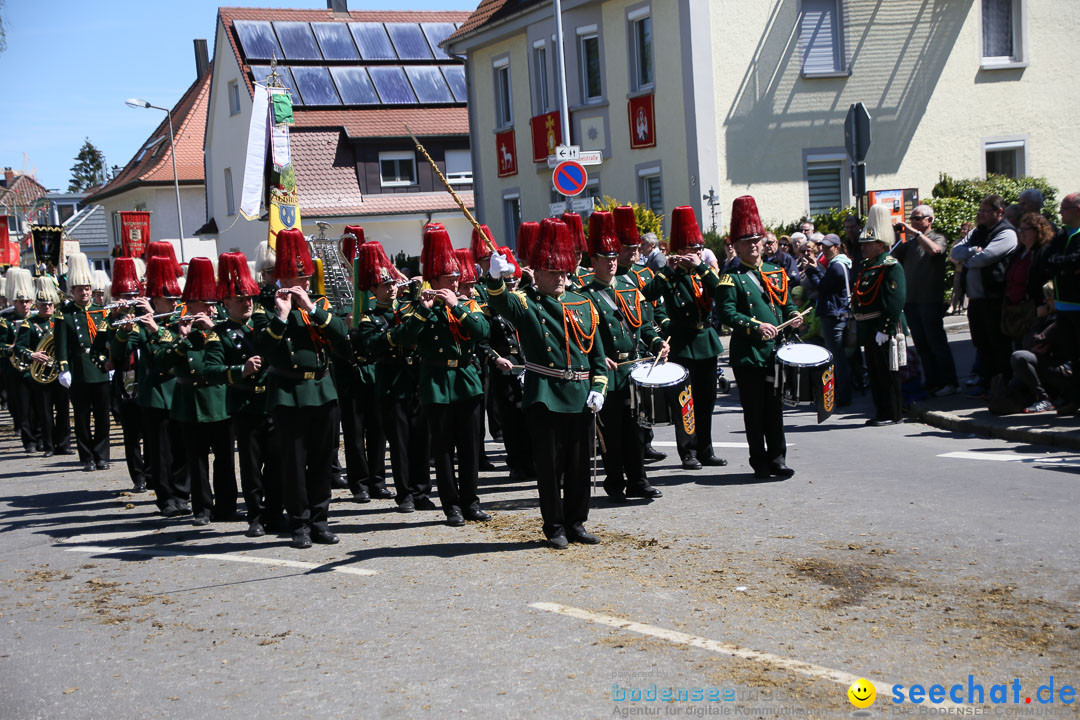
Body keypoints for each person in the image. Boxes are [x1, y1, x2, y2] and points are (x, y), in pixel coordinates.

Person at [486, 217, 609, 549]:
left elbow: (597, 357)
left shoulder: (584, 304)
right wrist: (496, 277)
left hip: (581, 395)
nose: (560, 278)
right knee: (550, 467)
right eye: (553, 272)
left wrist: (598, 388)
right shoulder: (527, 304)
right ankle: (554, 525)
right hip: (546, 395)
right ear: (536, 272)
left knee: (580, 465)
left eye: (564, 272)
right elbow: (500, 301)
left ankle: (576, 522)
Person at [255, 228, 349, 549]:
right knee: (294, 464)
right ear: (282, 278)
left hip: (322, 390)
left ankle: (319, 520)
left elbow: (340, 333)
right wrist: (281, 317)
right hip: (289, 393)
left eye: (306, 278)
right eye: (297, 279)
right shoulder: (266, 308)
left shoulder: (318, 304)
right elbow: (263, 347)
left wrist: (311, 307)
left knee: (323, 461)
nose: (303, 284)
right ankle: (299, 523)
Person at [391, 225, 491, 527]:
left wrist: (456, 306)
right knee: (444, 448)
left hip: (465, 380)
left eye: (456, 278)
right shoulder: (419, 307)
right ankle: (452, 506)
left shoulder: (466, 304)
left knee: (471, 446)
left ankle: (470, 500)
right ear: (434, 280)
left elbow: (482, 331)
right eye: (450, 279)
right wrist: (425, 309)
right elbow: (403, 337)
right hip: (436, 383)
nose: (456, 282)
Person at [583, 210, 669, 502]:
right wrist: (597, 358)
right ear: (592, 261)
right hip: (608, 372)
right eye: (604, 257)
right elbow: (583, 335)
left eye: (613, 256)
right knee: (612, 433)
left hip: (633, 369)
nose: (610, 262)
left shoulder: (631, 289)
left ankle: (639, 480)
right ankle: (614, 481)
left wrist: (657, 343)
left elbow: (644, 325)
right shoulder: (586, 296)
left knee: (637, 428)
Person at [718, 195, 803, 478]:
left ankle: (778, 458)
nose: (754, 245)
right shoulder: (731, 277)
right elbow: (728, 314)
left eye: (757, 240)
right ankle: (760, 461)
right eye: (747, 241)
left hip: (774, 353)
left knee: (774, 407)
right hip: (748, 355)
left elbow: (785, 303)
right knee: (754, 412)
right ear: (737, 246)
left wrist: (794, 317)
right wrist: (755, 327)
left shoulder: (776, 272)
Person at [641, 206, 726, 470]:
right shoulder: (672, 275)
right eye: (692, 249)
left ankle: (706, 448)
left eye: (699, 249)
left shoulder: (705, 272)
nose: (697, 253)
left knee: (707, 400)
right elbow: (649, 292)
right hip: (683, 342)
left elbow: (722, 293)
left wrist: (702, 267)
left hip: (707, 339)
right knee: (685, 401)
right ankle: (688, 451)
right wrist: (671, 269)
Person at [355, 242, 435, 514]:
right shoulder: (369, 319)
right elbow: (377, 344)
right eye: (383, 285)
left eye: (392, 284)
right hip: (392, 384)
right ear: (373, 289)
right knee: (400, 444)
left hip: (416, 381)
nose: (390, 288)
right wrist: (414, 318)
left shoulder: (408, 309)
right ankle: (405, 494)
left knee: (421, 440)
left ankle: (422, 490)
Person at [206, 252, 280, 537]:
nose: (247, 303)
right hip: (244, 403)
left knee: (276, 464)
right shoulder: (221, 333)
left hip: (270, 402)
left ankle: (275, 512)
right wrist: (240, 370)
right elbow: (211, 370)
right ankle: (256, 516)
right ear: (226, 304)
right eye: (240, 299)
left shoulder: (265, 325)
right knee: (251, 467)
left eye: (249, 298)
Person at [113, 256, 190, 516]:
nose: (174, 304)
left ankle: (182, 494)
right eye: (169, 300)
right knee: (160, 452)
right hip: (154, 394)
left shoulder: (175, 321)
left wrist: (161, 328)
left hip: (179, 391)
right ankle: (166, 498)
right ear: (155, 300)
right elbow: (120, 350)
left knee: (182, 448)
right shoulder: (141, 324)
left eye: (175, 300)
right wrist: (124, 327)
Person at [161, 257, 235, 526]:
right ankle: (202, 508)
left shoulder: (222, 328)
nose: (210, 310)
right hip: (190, 401)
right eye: (204, 304)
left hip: (219, 399)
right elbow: (163, 362)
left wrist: (213, 330)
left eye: (213, 304)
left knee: (225, 459)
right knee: (197, 461)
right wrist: (184, 339)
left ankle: (227, 506)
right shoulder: (174, 328)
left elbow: (232, 354)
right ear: (190, 304)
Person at [949, 195, 1018, 394]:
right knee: (982, 344)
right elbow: (955, 252)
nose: (981, 214)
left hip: (995, 299)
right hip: (976, 300)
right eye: (980, 210)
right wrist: (972, 250)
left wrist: (967, 260)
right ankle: (987, 385)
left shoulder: (1007, 233)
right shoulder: (977, 232)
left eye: (986, 210)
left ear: (999, 212)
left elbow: (986, 257)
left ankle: (1002, 388)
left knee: (998, 345)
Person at [892, 204, 959, 397]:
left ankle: (950, 382)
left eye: (918, 218)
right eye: (912, 218)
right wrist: (895, 236)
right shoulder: (911, 244)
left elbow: (935, 251)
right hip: (912, 300)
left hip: (929, 299)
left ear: (929, 220)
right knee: (922, 345)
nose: (913, 222)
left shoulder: (937, 237)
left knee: (936, 343)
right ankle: (931, 383)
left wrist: (914, 233)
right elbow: (893, 255)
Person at [54, 253, 111, 471]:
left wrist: (111, 363)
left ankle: (102, 455)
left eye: (87, 288)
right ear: (73, 291)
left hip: (100, 367)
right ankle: (86, 457)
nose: (85, 292)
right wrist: (64, 369)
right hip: (78, 368)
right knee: (81, 417)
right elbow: (61, 345)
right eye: (80, 289)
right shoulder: (65, 314)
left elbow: (107, 340)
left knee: (103, 416)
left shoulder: (99, 311)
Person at [854, 205, 906, 426]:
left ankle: (892, 413)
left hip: (882, 327)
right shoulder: (868, 265)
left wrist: (885, 329)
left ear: (880, 245)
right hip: (868, 328)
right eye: (863, 244)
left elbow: (895, 300)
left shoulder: (889, 265)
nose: (863, 248)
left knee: (887, 372)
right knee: (875, 373)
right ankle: (881, 411)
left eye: (868, 244)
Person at [103, 258, 150, 492]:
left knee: (151, 431)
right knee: (131, 435)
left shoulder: (146, 316)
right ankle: (138, 477)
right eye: (123, 295)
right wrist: (105, 361)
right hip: (125, 380)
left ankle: (151, 472)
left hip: (146, 378)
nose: (128, 301)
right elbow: (99, 351)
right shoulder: (109, 321)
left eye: (132, 295)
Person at [1039, 191, 1080, 414]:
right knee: (1070, 357)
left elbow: (1076, 259)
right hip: (1062, 305)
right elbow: (1047, 260)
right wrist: (1064, 266)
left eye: (1064, 208)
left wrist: (1062, 264)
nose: (1060, 212)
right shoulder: (1063, 234)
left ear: (1077, 210)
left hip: (1078, 305)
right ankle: (1073, 400)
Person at [802, 233, 853, 407]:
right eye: (822, 246)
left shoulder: (837, 265)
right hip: (836, 314)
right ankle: (843, 391)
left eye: (828, 246)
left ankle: (844, 394)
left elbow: (823, 286)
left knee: (837, 358)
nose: (824, 249)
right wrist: (816, 269)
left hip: (834, 315)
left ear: (837, 247)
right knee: (838, 357)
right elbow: (826, 283)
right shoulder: (839, 264)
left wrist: (811, 270)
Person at [1001, 213, 1053, 345]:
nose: (1021, 233)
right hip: (1015, 310)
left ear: (1038, 231)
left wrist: (1044, 304)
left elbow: (1046, 279)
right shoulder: (1019, 252)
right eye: (1020, 229)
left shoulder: (1043, 252)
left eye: (1026, 230)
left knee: (1030, 347)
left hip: (1035, 309)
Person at [2, 268, 39, 452]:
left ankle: (41, 436)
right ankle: (29, 440)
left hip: (36, 366)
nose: (24, 305)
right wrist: (10, 349)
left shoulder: (37, 318)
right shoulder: (5, 320)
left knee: (39, 405)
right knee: (22, 407)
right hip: (14, 369)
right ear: (14, 302)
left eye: (27, 301)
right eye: (20, 301)